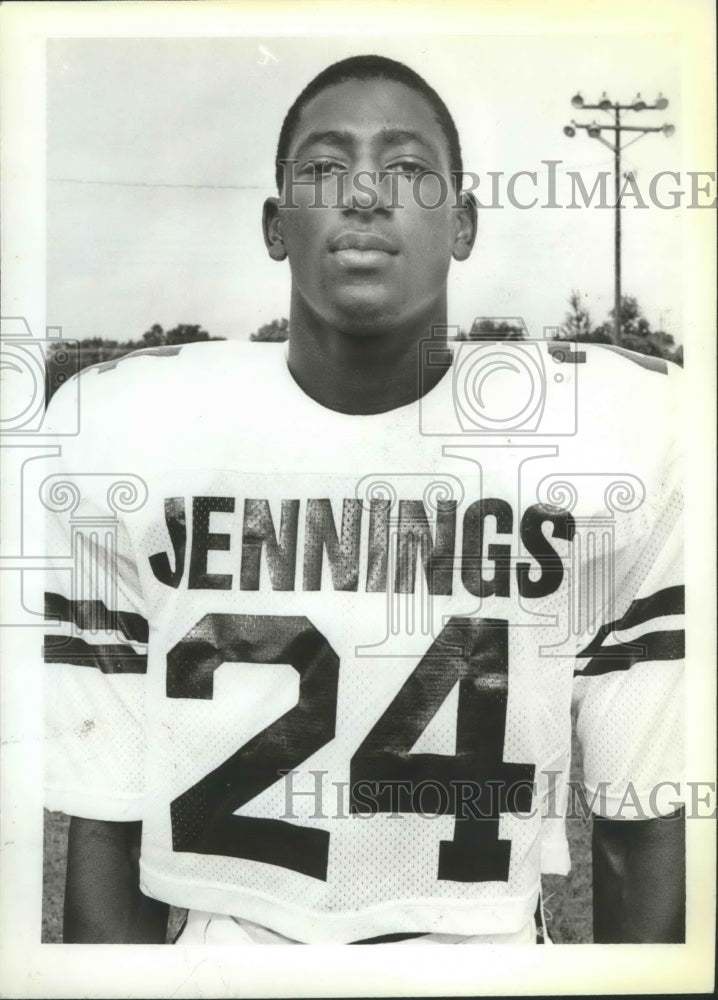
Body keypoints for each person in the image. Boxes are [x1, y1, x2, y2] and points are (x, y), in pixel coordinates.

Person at [43, 54, 685, 945]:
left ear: (462, 224)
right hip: (231, 960)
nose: (365, 192)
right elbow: (104, 832)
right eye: (322, 167)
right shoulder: (126, 434)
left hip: (483, 959)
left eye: (410, 168)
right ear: (277, 225)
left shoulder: (616, 441)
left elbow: (643, 826)